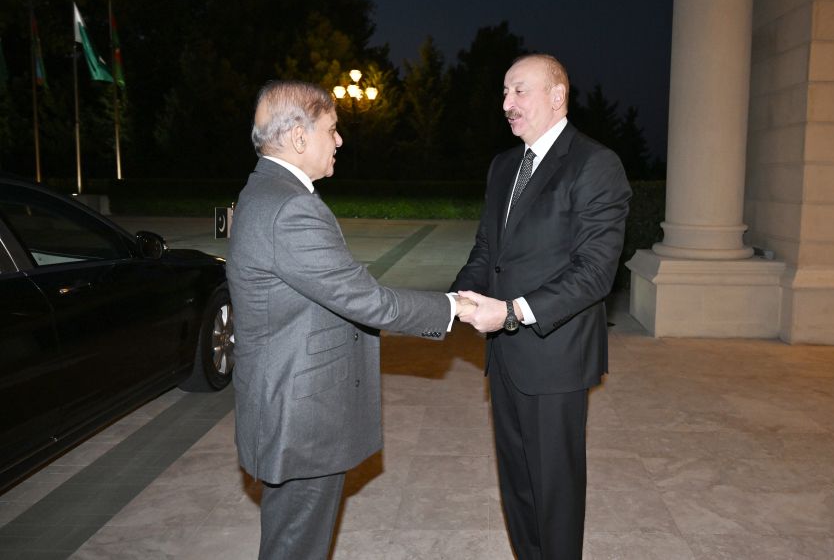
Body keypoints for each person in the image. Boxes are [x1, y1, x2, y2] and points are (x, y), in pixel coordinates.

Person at [227, 80, 474, 560]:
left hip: (281, 404)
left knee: (291, 541)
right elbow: (367, 300)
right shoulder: (290, 207)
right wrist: (455, 307)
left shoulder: (264, 190)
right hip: (301, 416)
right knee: (296, 548)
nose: (339, 140)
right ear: (299, 136)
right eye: (332, 129)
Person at [454, 54, 631, 559]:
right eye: (504, 92)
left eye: (519, 91)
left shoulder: (595, 164)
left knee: (555, 492)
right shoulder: (504, 166)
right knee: (518, 486)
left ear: (557, 96)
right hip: (504, 357)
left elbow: (594, 273)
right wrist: (456, 298)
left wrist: (511, 313)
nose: (506, 104)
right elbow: (487, 251)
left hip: (557, 358)